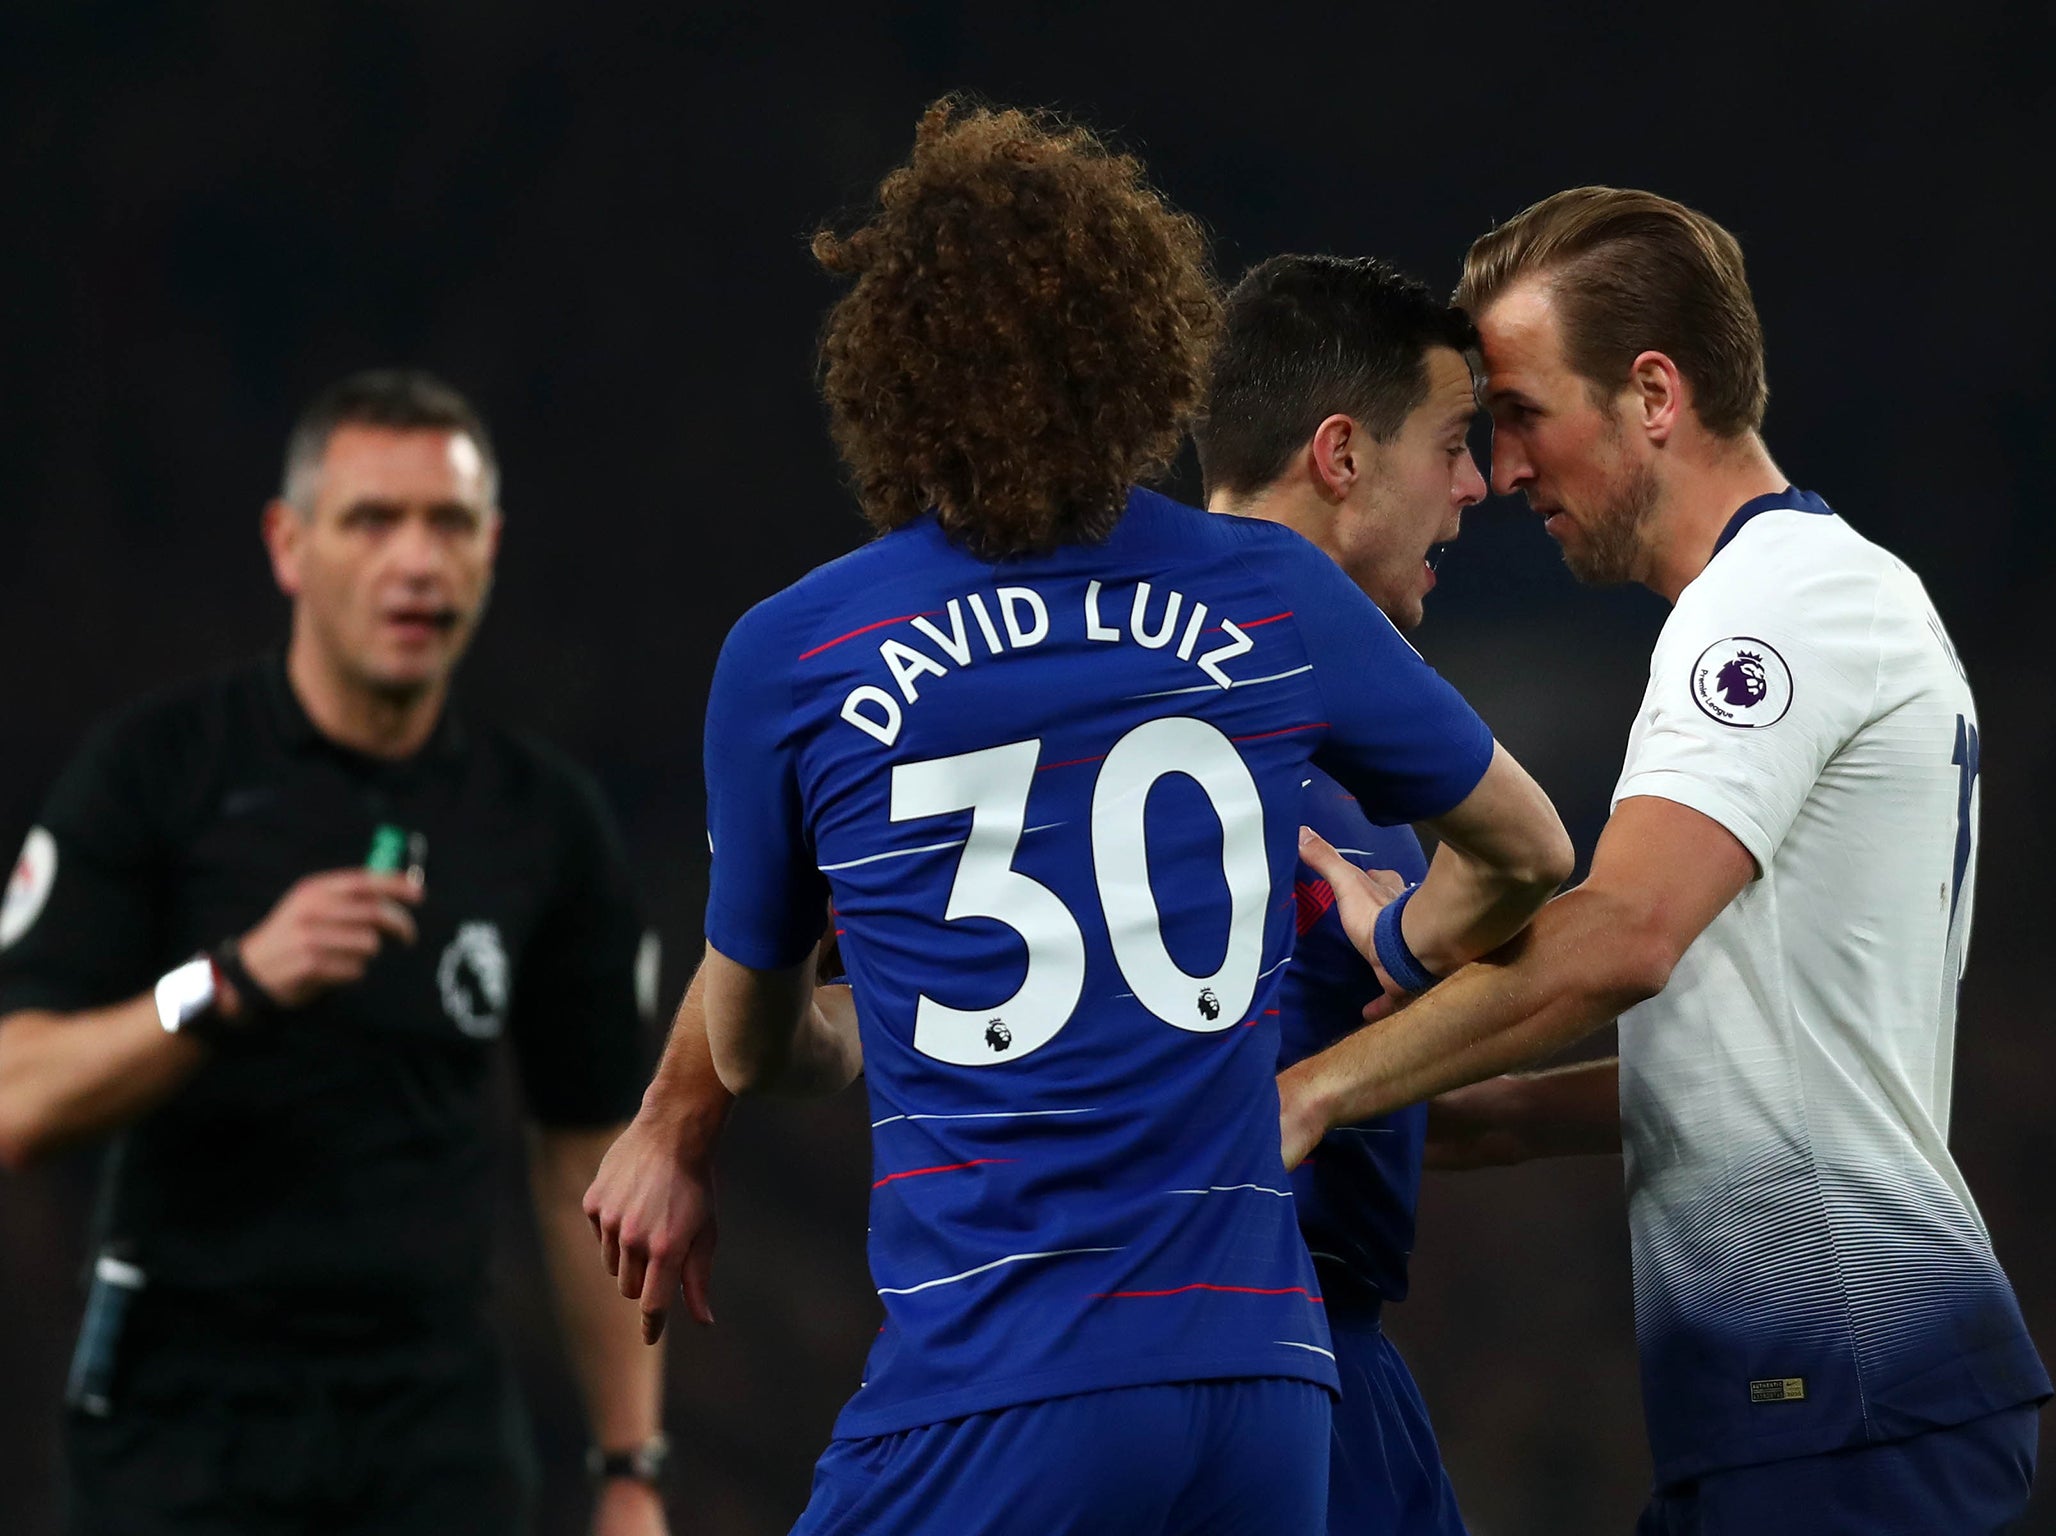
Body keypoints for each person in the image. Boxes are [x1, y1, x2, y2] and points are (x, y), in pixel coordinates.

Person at [586, 100, 1571, 1536]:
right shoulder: (1272, 597)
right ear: (1143, 350)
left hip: (1006, 1381)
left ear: (890, 375)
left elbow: (753, 1044)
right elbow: (1536, 852)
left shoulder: (797, 653)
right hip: (1267, 1387)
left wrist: (853, 1033)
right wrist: (1412, 938)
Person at [1278, 187, 2051, 1534]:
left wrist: (1314, 1087)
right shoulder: (1826, 596)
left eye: (1520, 411)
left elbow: (1627, 932)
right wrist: (1464, 1116)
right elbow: (1768, 1060)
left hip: (1846, 1385)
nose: (1504, 472)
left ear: (1652, 393)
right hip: (1827, 1410)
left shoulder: (1776, 606)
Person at [0, 370, 672, 1536]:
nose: (414, 561)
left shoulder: (541, 822)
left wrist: (630, 1469)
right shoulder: (159, 769)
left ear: (490, 548)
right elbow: (13, 1095)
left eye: (448, 523)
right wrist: (227, 982)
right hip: (179, 1419)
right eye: (372, 520)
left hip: (429, 1426)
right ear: (289, 544)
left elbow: (588, 1167)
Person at [1193, 252, 1486, 1536]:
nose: (1477, 487)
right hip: (1233, 1344)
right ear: (1340, 455)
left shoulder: (1351, 728)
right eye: (1455, 443)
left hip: (1338, 1352)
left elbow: (1383, 1084)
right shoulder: (1168, 694)